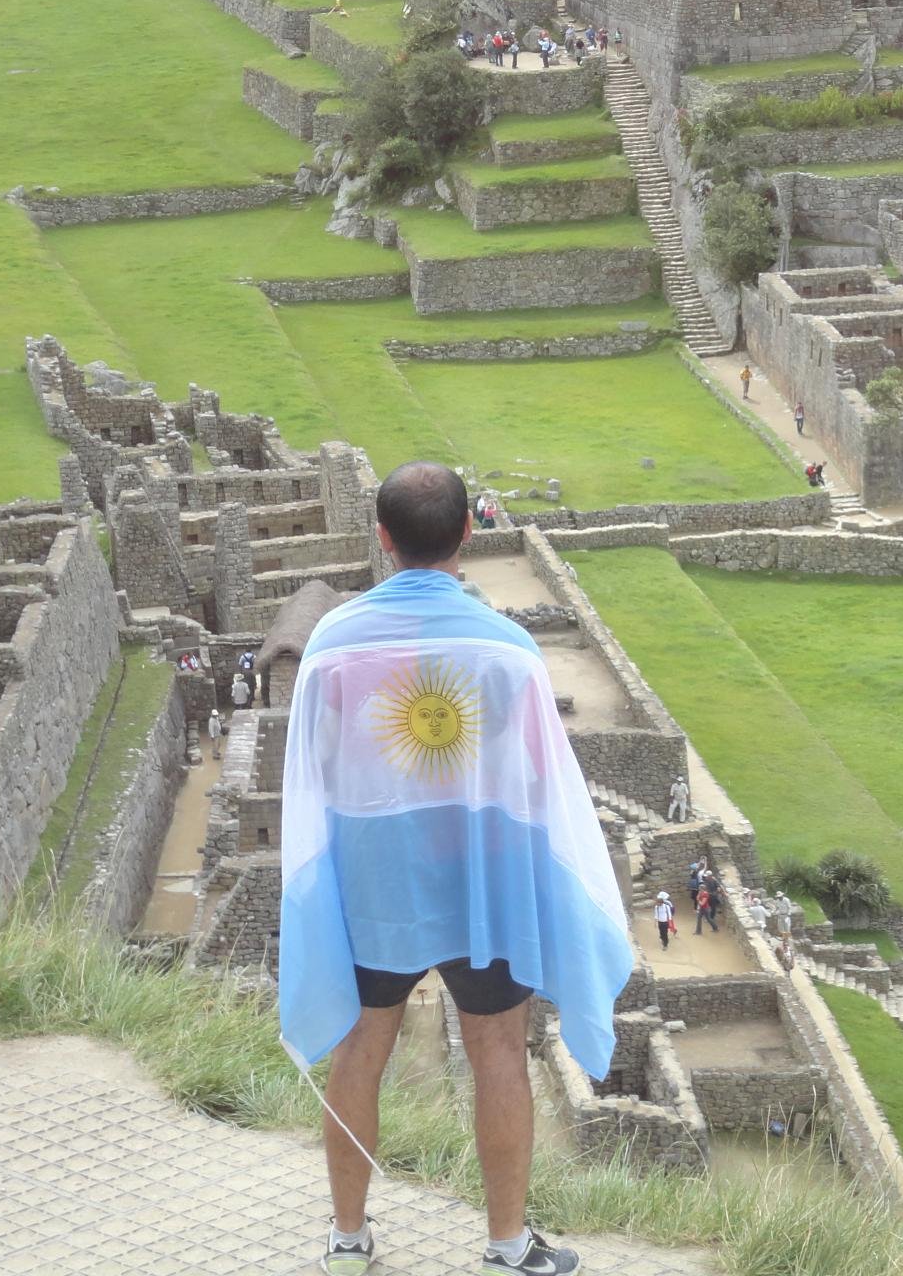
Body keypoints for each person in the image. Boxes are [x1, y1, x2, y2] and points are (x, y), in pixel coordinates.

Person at [280, 461, 626, 1276]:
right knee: (499, 1050)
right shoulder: (506, 650)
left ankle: (348, 1239)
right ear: (470, 532)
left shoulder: (332, 645)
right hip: (484, 879)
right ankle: (506, 1246)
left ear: (382, 537)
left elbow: (316, 769)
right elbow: (538, 781)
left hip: (375, 881)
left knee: (360, 1051)